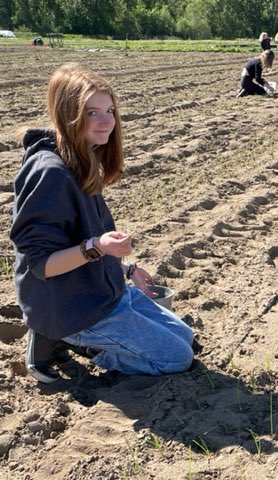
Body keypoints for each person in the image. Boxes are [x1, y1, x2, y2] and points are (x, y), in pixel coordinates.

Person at [11, 64, 194, 383]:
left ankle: (84, 337)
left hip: (101, 291)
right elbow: (41, 264)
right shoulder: (50, 174)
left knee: (185, 336)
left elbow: (81, 238)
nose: (107, 121)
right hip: (74, 309)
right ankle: (64, 338)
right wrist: (96, 248)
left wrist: (124, 269)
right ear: (69, 115)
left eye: (109, 110)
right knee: (177, 358)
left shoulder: (81, 155)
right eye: (92, 112)